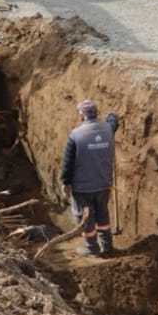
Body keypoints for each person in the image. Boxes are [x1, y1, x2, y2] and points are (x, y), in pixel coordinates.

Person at [60, 99, 120, 256]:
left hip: (83, 188)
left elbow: (68, 164)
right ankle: (107, 246)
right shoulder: (108, 129)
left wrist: (66, 183)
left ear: (81, 116)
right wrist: (112, 116)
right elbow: (114, 122)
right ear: (96, 113)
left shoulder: (76, 136)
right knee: (102, 214)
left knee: (86, 218)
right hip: (103, 184)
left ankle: (91, 248)